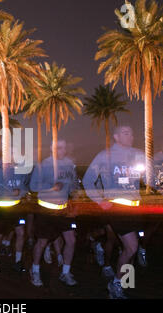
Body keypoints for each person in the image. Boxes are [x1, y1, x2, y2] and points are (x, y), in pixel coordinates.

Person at [83, 125, 146, 299]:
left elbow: (148, 179)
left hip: (135, 207)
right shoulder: (105, 156)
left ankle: (125, 283)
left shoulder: (138, 154)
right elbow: (88, 180)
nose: (131, 136)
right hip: (117, 208)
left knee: (130, 249)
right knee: (131, 246)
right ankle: (115, 284)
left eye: (132, 133)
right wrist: (100, 201)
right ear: (116, 137)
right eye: (126, 133)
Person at [29, 139, 80, 287]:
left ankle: (65, 272)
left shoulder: (69, 165)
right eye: (58, 148)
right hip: (46, 210)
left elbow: (72, 184)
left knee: (71, 241)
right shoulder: (43, 165)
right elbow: (33, 186)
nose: (61, 151)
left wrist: (74, 194)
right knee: (42, 242)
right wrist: (51, 187)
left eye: (63, 148)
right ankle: (35, 270)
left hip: (63, 210)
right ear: (52, 149)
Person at [0, 163, 32, 273]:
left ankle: (18, 261)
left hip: (16, 208)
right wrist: (11, 193)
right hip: (1, 209)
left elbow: (24, 188)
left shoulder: (19, 173)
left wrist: (24, 194)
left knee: (21, 232)